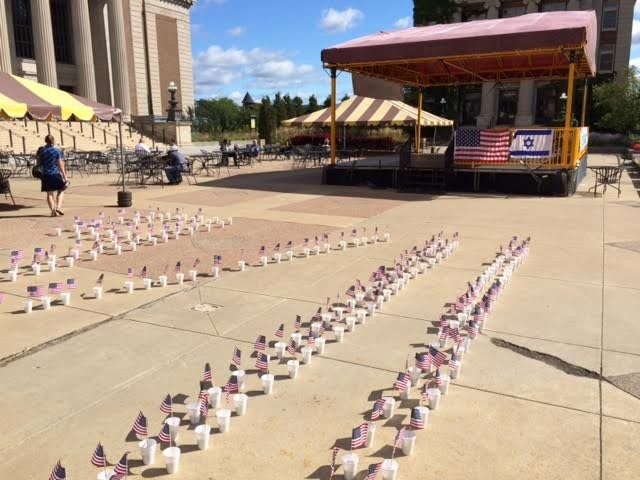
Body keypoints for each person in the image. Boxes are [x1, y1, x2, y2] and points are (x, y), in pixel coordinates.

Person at [38, 135, 68, 216]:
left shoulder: (42, 151)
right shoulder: (57, 151)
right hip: (55, 173)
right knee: (61, 190)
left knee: (49, 194)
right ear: (53, 141)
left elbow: (39, 162)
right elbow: (60, 164)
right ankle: (58, 207)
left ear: (45, 141)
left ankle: (53, 211)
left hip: (45, 174)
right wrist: (65, 176)